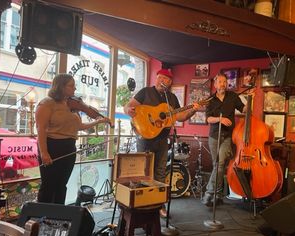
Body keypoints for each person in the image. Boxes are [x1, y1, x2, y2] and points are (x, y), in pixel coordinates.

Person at [124, 69, 200, 217]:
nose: (162, 81)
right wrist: (128, 110)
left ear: (170, 83)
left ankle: (159, 205)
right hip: (145, 139)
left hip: (162, 140)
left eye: (165, 79)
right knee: (144, 172)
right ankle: (141, 204)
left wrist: (192, 111)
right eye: (160, 78)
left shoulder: (171, 97)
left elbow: (180, 116)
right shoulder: (145, 92)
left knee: (160, 172)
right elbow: (128, 106)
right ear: (156, 79)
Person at [36, 73, 111, 204]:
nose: (75, 89)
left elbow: (79, 126)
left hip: (69, 147)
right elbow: (41, 129)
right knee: (48, 185)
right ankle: (41, 218)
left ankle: (58, 216)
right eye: (71, 86)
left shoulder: (71, 105)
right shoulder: (47, 103)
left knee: (61, 185)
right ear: (61, 87)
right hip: (52, 146)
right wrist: (44, 152)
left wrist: (98, 122)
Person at [202, 72, 250, 207]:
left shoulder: (233, 96)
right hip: (213, 137)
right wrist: (220, 119)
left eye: (224, 81)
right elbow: (208, 119)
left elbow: (243, 109)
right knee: (217, 165)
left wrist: (251, 101)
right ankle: (218, 195)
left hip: (228, 136)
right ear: (215, 84)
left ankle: (208, 194)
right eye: (220, 82)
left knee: (220, 164)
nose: (223, 84)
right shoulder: (210, 100)